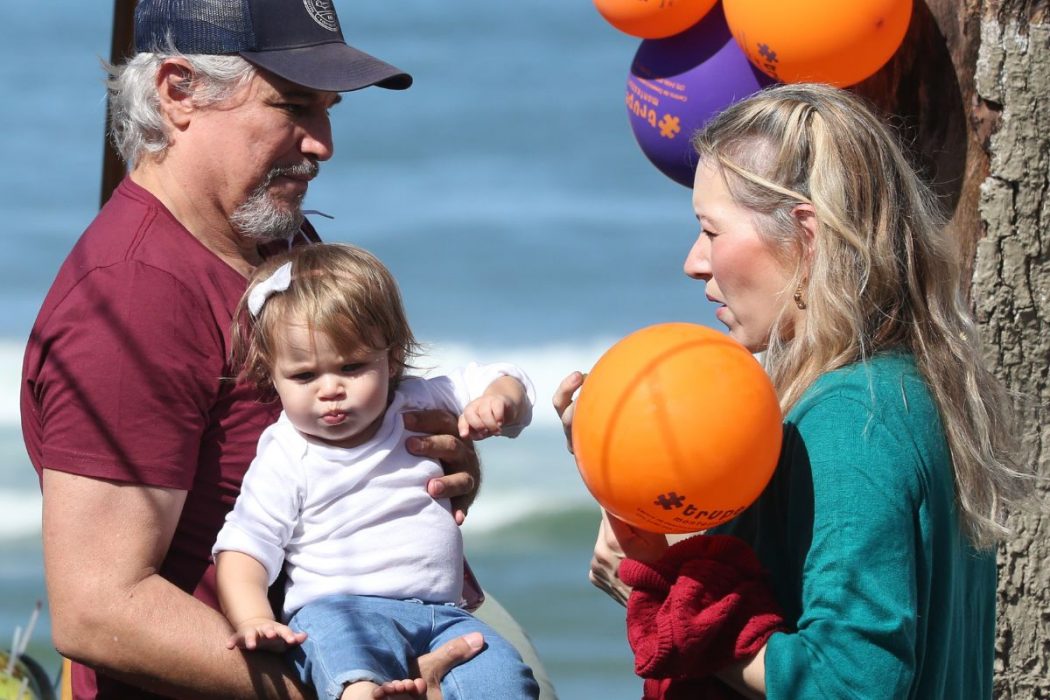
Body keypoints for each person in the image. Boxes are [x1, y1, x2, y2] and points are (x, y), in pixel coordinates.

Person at [20, 1, 553, 698]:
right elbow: (101, 610)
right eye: (293, 105)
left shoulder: (266, 236)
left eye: (328, 109)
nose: (322, 142)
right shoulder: (135, 296)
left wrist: (436, 459)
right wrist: (342, 686)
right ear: (178, 92)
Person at [554, 83, 1032, 699]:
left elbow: (850, 682)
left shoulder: (852, 419)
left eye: (711, 230)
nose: (694, 262)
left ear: (805, 235)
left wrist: (667, 600)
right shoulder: (908, 387)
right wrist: (619, 469)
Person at [213, 243, 540, 700]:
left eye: (352, 367)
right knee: (353, 669)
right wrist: (253, 619)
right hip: (339, 610)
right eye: (304, 376)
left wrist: (499, 401)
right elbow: (245, 547)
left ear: (391, 357)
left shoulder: (416, 401)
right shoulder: (288, 453)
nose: (330, 390)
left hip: (444, 614)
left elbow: (507, 376)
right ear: (273, 376)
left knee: (504, 678)